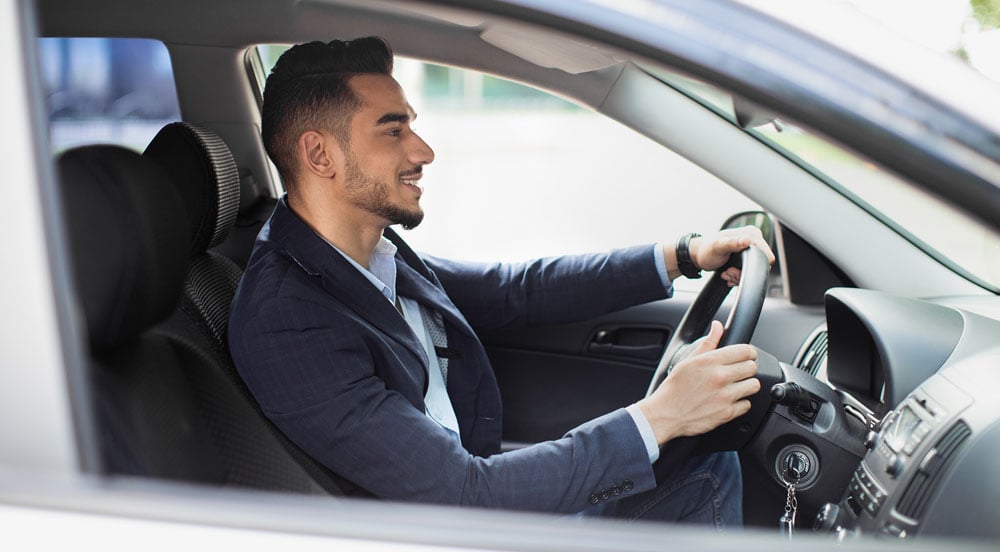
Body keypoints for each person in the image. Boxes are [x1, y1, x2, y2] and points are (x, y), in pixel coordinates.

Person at [228, 36, 774, 527]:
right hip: (457, 527)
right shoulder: (289, 319)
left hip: (477, 491)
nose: (422, 151)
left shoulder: (370, 253)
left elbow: (518, 290)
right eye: (393, 130)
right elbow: (463, 494)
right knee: (703, 465)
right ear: (319, 153)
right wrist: (662, 415)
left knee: (700, 449)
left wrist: (682, 255)